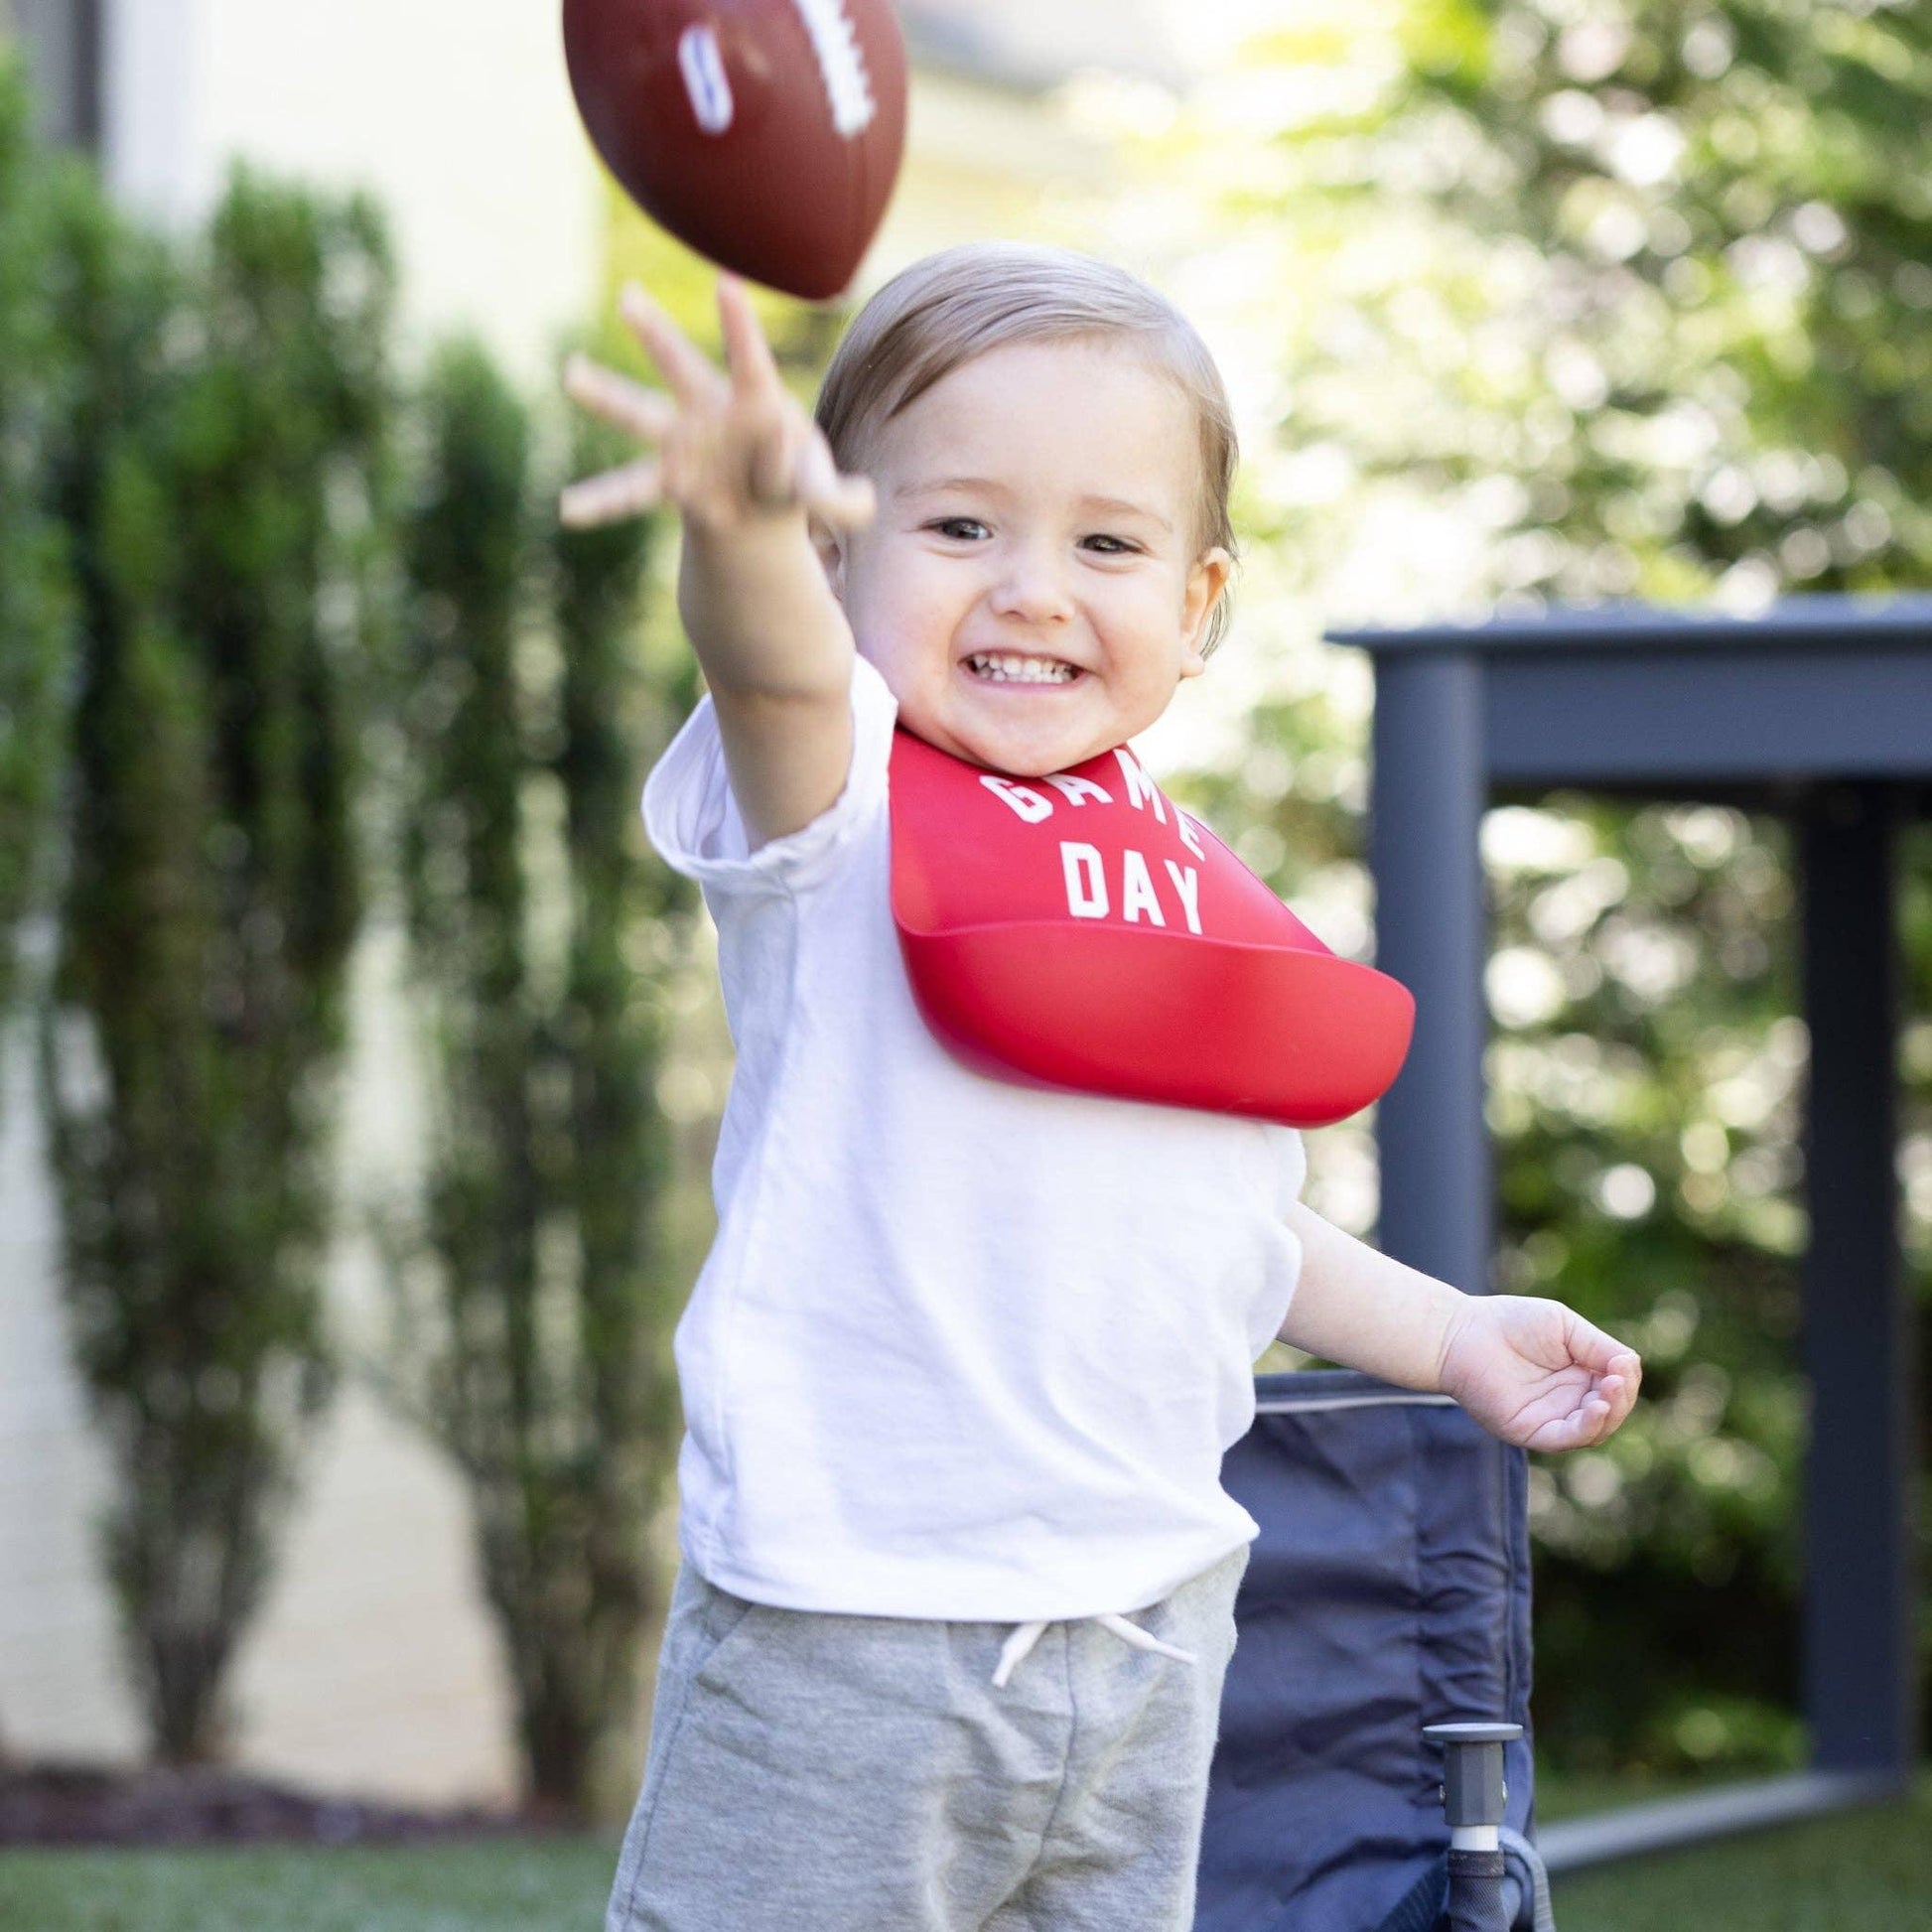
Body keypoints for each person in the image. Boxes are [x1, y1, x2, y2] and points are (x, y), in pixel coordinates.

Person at [559, 242, 1641, 1932]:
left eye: (1107, 543)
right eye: (959, 527)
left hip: (1148, 1630)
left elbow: (1224, 1224)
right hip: (858, 1627)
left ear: (1197, 607)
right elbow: (768, 669)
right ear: (843, 552)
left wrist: (1447, 1336)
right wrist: (738, 524)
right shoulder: (837, 815)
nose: (1033, 588)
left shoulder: (1162, 873)